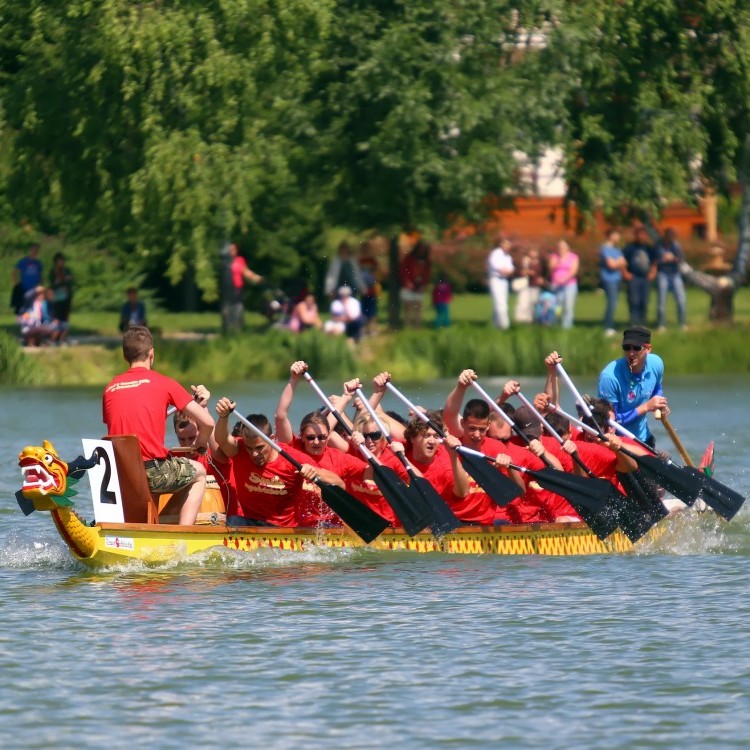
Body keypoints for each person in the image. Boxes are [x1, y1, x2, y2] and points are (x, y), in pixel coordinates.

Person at [102, 326, 214, 525]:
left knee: (153, 474)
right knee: (198, 472)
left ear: (124, 355)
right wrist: (201, 444)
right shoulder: (165, 383)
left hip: (120, 475)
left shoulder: (110, 387)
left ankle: (150, 526)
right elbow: (208, 423)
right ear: (151, 353)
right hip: (151, 472)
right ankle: (184, 538)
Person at [213, 405, 319, 527]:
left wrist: (312, 472)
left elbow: (336, 481)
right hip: (251, 523)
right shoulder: (239, 450)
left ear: (272, 439)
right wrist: (223, 416)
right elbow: (222, 440)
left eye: (259, 448)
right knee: (232, 521)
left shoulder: (292, 458)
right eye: (249, 448)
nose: (254, 453)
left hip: (282, 529)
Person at [597, 325, 669, 447]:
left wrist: (659, 404)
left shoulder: (656, 364)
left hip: (644, 439)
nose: (631, 353)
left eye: (636, 348)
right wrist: (646, 407)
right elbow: (610, 422)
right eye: (626, 348)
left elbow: (657, 388)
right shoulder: (609, 377)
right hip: (617, 444)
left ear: (648, 349)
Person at [221, 242, 263, 333]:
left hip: (237, 289)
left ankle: (238, 329)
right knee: (227, 309)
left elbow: (245, 271)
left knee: (238, 309)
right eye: (230, 250)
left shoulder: (239, 260)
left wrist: (255, 277)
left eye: (233, 249)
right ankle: (227, 330)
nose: (231, 251)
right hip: (227, 290)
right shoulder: (224, 262)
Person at [654, 227, 688, 331]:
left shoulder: (676, 245)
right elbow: (655, 260)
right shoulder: (658, 245)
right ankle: (661, 324)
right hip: (662, 273)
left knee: (681, 299)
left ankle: (682, 323)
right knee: (661, 300)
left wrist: (673, 258)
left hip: (675, 273)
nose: (670, 239)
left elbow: (681, 259)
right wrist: (663, 259)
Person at [622, 227, 657, 325]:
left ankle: (642, 322)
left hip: (645, 277)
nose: (641, 237)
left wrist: (652, 273)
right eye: (639, 234)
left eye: (643, 235)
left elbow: (654, 262)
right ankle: (633, 321)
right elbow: (622, 261)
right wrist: (625, 273)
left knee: (644, 301)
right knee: (634, 300)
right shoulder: (629, 248)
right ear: (636, 236)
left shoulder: (649, 248)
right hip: (634, 277)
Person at [599, 228, 626, 336]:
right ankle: (608, 326)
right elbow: (611, 265)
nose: (618, 237)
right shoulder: (605, 249)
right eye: (617, 234)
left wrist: (617, 262)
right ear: (611, 235)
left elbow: (623, 262)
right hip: (609, 279)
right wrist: (617, 262)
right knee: (612, 302)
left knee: (614, 302)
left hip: (616, 279)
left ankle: (610, 325)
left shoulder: (617, 249)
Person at [547, 239, 579, 329]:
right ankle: (555, 323)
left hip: (570, 284)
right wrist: (558, 261)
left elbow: (574, 271)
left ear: (567, 247)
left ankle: (567, 326)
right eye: (560, 247)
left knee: (568, 305)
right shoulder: (554, 256)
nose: (562, 249)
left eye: (563, 247)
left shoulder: (573, 257)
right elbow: (550, 268)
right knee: (557, 306)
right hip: (556, 285)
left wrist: (564, 279)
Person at [399, 239, 432, 327]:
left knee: (418, 305)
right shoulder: (409, 258)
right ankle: (407, 324)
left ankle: (417, 324)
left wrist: (424, 285)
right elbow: (403, 270)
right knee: (407, 305)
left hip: (419, 285)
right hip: (409, 285)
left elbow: (427, 274)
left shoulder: (426, 260)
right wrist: (407, 282)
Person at [487, 236, 514, 330]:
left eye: (509, 245)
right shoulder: (496, 254)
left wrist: (508, 271)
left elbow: (511, 268)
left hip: (504, 281)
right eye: (506, 244)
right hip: (496, 279)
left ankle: (495, 325)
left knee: (502, 303)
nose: (508, 246)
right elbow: (495, 265)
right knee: (500, 303)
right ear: (501, 244)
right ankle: (505, 326)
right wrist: (503, 270)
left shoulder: (508, 256)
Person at [513, 246, 545, 324]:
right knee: (523, 303)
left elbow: (544, 273)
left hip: (535, 286)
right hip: (526, 285)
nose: (533, 254)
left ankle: (531, 319)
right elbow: (516, 271)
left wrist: (542, 279)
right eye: (532, 252)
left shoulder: (540, 262)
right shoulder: (524, 261)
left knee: (533, 303)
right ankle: (521, 320)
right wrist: (524, 272)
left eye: (535, 252)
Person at [47, 253, 74, 343]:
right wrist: (62, 281)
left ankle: (63, 336)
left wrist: (62, 281)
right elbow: (53, 284)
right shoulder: (53, 271)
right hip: (57, 297)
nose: (61, 263)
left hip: (66, 296)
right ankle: (56, 336)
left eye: (62, 261)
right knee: (57, 317)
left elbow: (69, 281)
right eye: (59, 261)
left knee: (65, 317)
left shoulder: (67, 270)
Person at [12, 243, 43, 313]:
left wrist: (41, 285)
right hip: (24, 287)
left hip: (35, 288)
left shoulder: (38, 263)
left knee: (33, 305)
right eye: (34, 250)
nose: (35, 252)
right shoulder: (24, 261)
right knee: (24, 303)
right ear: (30, 250)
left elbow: (40, 275)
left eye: (37, 250)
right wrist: (15, 283)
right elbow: (15, 272)